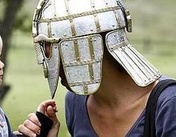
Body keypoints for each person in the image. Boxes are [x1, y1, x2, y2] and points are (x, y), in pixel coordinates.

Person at [17, 0, 176, 136]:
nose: (48, 58)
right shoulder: (75, 102)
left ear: (82, 47)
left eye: (52, 47)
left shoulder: (168, 103)